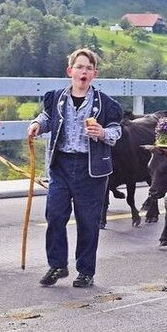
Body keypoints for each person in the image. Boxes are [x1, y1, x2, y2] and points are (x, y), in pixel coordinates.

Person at [28, 48, 123, 289]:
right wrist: (37, 125)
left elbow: (116, 131)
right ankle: (58, 265)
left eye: (88, 68)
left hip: (90, 169)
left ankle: (85, 271)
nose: (84, 72)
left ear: (94, 74)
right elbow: (48, 118)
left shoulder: (106, 104)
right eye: (79, 67)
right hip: (60, 165)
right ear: (70, 71)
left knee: (88, 221)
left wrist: (102, 133)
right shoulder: (56, 97)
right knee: (55, 215)